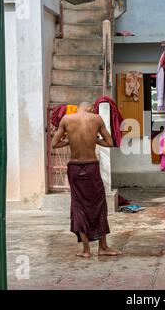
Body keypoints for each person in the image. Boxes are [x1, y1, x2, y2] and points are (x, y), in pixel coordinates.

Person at [51, 101, 121, 258]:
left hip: (74, 168)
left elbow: (54, 144)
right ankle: (103, 247)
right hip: (91, 167)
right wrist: (94, 139)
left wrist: (69, 140)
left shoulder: (67, 119)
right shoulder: (96, 119)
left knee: (78, 206)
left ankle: (86, 250)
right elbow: (109, 142)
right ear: (90, 108)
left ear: (78, 108)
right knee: (98, 205)